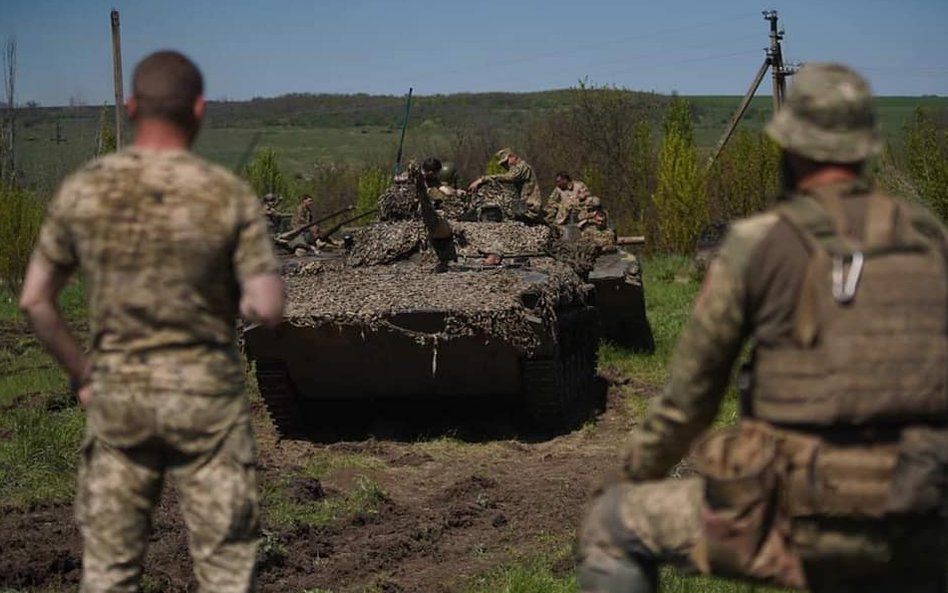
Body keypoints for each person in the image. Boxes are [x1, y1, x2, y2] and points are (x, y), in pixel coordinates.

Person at [577, 62, 948, 593]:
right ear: (867, 148)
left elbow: (690, 399)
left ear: (791, 148)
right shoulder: (929, 238)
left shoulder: (759, 243)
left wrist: (630, 476)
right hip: (919, 515)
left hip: (802, 517)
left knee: (611, 526)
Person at [19, 50, 284, 593]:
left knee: (111, 569)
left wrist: (82, 376)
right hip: (206, 402)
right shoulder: (226, 194)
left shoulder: (84, 190)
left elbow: (35, 300)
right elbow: (267, 307)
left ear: (132, 106)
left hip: (119, 397)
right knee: (226, 570)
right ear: (200, 109)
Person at [468, 148, 543, 219]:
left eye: (506, 162)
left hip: (530, 207)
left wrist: (483, 179)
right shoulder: (518, 168)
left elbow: (510, 177)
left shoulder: (523, 167)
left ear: (512, 157)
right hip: (522, 207)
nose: (505, 166)